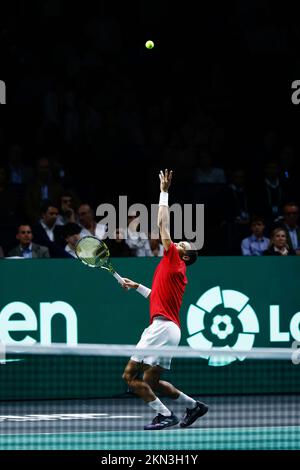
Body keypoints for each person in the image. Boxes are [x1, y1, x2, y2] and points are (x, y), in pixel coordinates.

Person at [121, 169, 208, 430]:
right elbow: (155, 296)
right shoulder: (174, 271)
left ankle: (164, 415)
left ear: (184, 257)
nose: (180, 243)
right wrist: (137, 286)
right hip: (171, 329)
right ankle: (194, 406)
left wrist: (164, 192)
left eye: (184, 246)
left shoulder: (174, 260)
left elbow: (162, 225)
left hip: (161, 328)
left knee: (129, 375)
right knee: (152, 380)